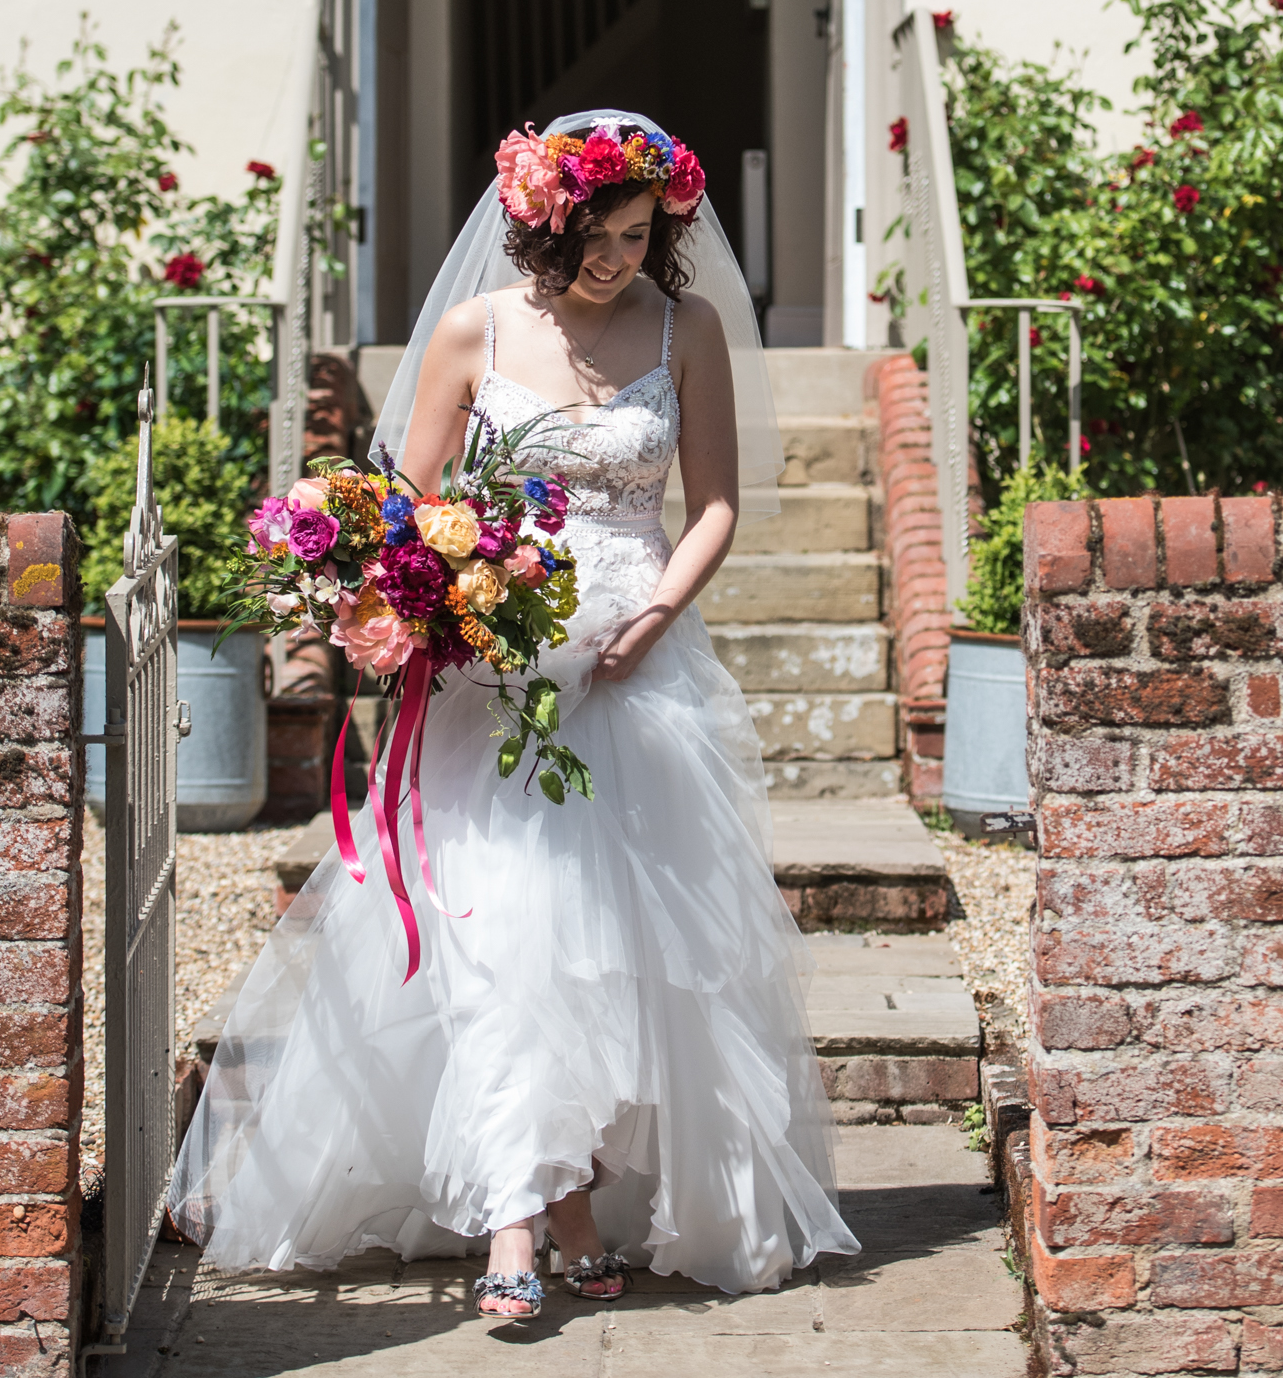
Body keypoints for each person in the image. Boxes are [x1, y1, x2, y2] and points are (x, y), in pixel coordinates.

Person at [166, 111, 859, 1321]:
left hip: (640, 676)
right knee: (503, 940)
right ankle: (513, 1222)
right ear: (543, 228)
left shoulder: (685, 328)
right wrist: (435, 600)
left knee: (616, 961)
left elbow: (716, 506)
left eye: (641, 236)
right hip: (496, 680)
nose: (618, 260)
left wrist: (654, 618)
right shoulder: (470, 332)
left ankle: (579, 1200)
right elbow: (405, 508)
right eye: (596, 237)